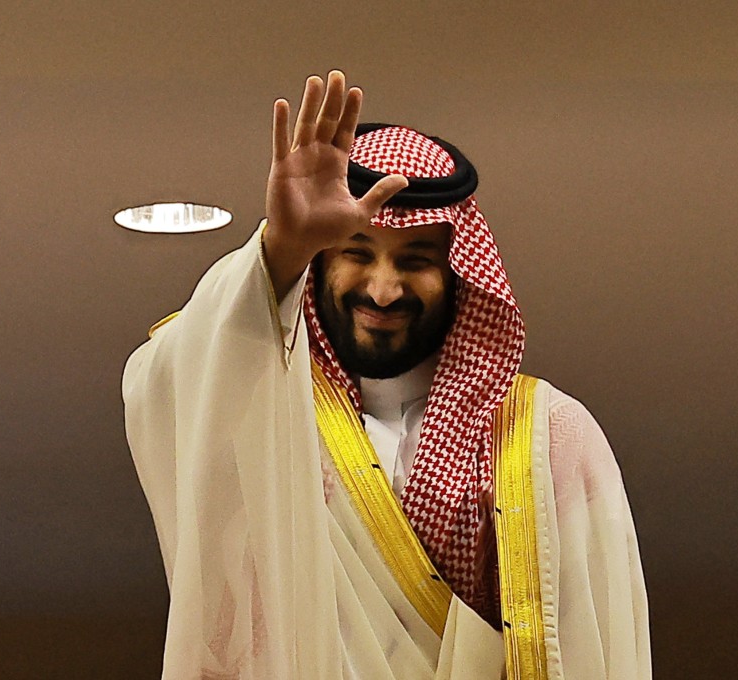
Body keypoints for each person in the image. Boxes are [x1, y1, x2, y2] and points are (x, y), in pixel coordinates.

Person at [123, 70, 650, 679]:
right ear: (322, 263)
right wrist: (283, 250)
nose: (382, 289)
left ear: (459, 276)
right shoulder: (270, 410)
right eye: (356, 253)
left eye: (416, 261)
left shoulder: (546, 436)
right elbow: (165, 386)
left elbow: (597, 644)